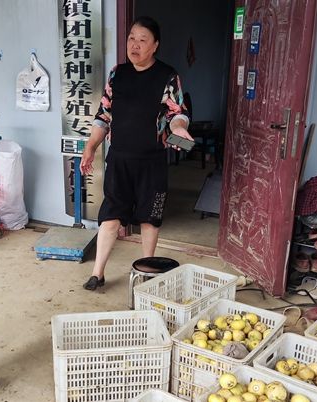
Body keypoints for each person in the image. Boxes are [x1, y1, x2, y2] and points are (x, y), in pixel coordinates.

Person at [80, 16, 193, 290]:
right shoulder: (117, 74)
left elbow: (177, 113)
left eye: (143, 40)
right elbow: (103, 116)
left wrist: (179, 129)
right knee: (110, 215)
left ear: (155, 45)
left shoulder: (167, 75)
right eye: (132, 38)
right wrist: (90, 147)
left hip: (152, 162)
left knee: (149, 218)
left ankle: (147, 272)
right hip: (119, 160)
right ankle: (97, 273)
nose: (135, 45)